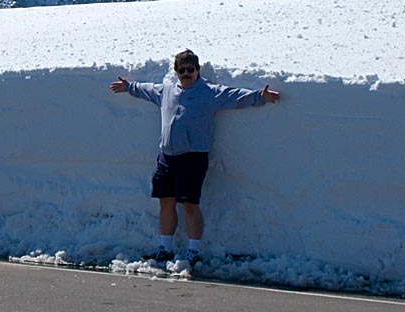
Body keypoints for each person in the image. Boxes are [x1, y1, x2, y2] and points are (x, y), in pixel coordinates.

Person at [109, 49, 280, 265]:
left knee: (190, 204)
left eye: (191, 69)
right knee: (166, 202)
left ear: (198, 70)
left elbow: (236, 96)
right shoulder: (167, 91)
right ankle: (165, 247)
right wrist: (128, 87)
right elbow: (146, 90)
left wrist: (260, 97)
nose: (186, 73)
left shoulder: (209, 92)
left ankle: (193, 250)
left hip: (192, 157)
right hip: (166, 156)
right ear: (176, 72)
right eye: (182, 70)